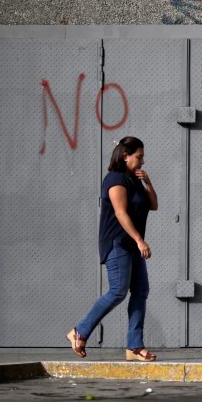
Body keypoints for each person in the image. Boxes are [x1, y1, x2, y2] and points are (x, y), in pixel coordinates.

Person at [66, 136, 159, 361]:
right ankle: (80, 331)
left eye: (143, 156)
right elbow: (120, 213)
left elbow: (154, 205)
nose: (142, 161)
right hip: (118, 243)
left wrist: (148, 183)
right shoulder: (115, 180)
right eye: (139, 156)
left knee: (141, 291)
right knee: (118, 291)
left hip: (132, 244)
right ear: (125, 156)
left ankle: (134, 347)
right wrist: (139, 240)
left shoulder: (135, 179)